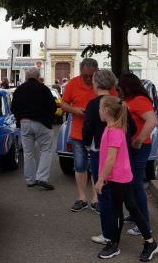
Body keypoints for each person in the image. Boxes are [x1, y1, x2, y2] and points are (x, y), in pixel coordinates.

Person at [94, 95, 158, 261]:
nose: (99, 111)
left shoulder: (114, 131)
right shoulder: (111, 129)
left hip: (119, 177)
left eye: (100, 108)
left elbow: (111, 158)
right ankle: (119, 243)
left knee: (127, 210)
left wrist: (101, 179)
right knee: (125, 209)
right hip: (118, 176)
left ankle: (146, 243)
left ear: (107, 111)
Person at [83, 70, 136, 244]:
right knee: (118, 197)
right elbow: (133, 128)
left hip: (101, 152)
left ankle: (108, 234)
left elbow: (87, 129)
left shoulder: (93, 104)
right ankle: (119, 231)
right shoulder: (118, 102)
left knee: (104, 194)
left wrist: (86, 143)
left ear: (96, 84)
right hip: (121, 156)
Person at [119, 73, 158, 236]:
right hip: (131, 147)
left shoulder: (139, 101)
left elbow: (152, 121)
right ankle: (136, 215)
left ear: (127, 86)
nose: (118, 89)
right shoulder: (129, 101)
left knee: (136, 185)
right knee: (131, 184)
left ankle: (144, 223)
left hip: (139, 148)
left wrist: (140, 139)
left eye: (120, 86)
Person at [61, 58, 102, 212]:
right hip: (78, 132)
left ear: (96, 72)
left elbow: (113, 102)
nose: (88, 79)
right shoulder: (72, 83)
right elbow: (63, 104)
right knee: (80, 165)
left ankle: (96, 198)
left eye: (91, 76)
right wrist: (75, 110)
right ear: (80, 72)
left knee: (97, 166)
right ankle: (81, 197)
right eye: (85, 75)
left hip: (98, 133)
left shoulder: (102, 82)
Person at [11, 67, 57, 190]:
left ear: (26, 77)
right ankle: (41, 178)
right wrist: (49, 119)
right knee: (46, 150)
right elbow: (52, 107)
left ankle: (30, 180)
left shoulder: (19, 90)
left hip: (25, 122)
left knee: (28, 153)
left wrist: (20, 118)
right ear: (38, 77)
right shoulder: (44, 89)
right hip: (42, 123)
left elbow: (13, 108)